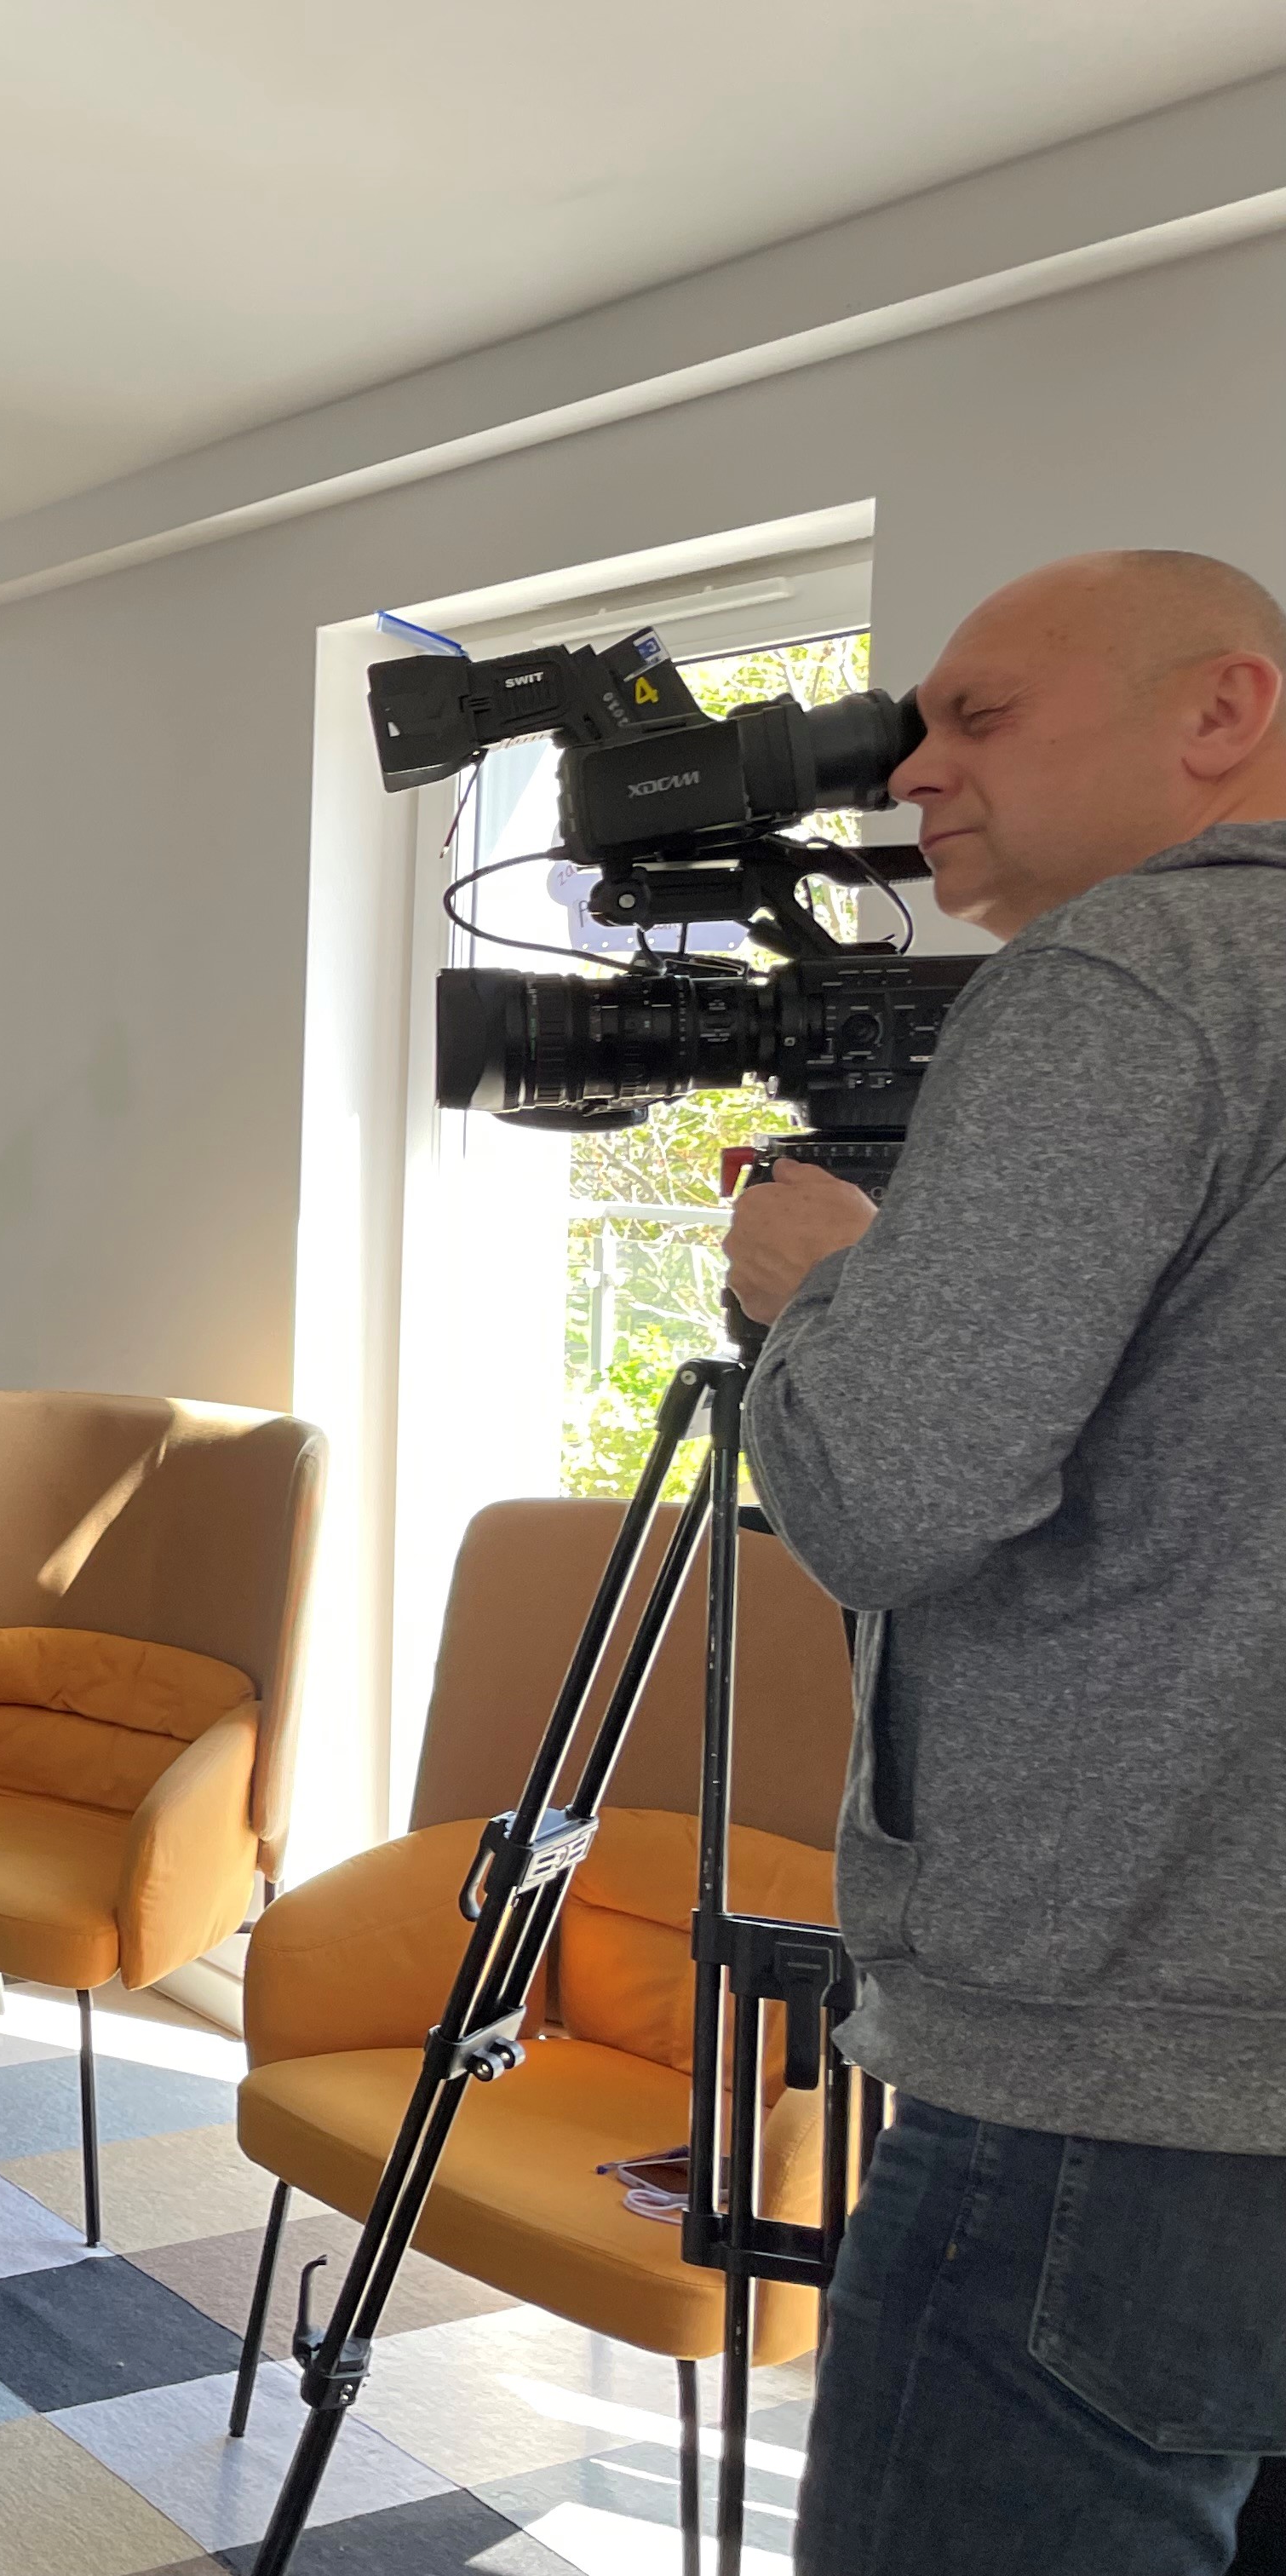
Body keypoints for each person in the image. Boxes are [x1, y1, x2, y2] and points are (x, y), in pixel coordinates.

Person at [727, 552, 1286, 2575]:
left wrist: (817, 1290)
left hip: (1110, 2089)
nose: (911, 771)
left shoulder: (1135, 972)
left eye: (981, 716)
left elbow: (888, 1495)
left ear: (1222, 710)